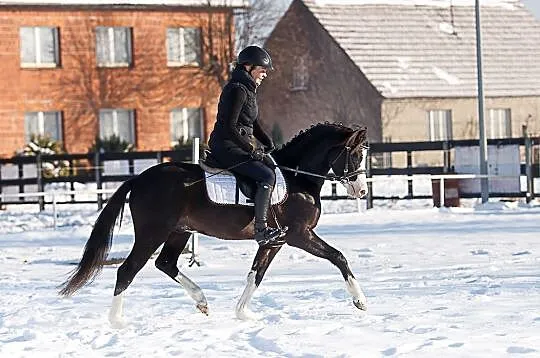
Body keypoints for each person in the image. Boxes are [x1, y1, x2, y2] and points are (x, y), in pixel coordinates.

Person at [208, 45, 286, 248]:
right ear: (248, 67)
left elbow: (252, 123)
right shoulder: (237, 90)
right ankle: (260, 230)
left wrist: (268, 142)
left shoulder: (247, 89)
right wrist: (251, 149)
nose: (265, 74)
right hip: (226, 147)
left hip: (236, 145)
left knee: (271, 167)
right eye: (262, 70)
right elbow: (230, 127)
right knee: (267, 176)